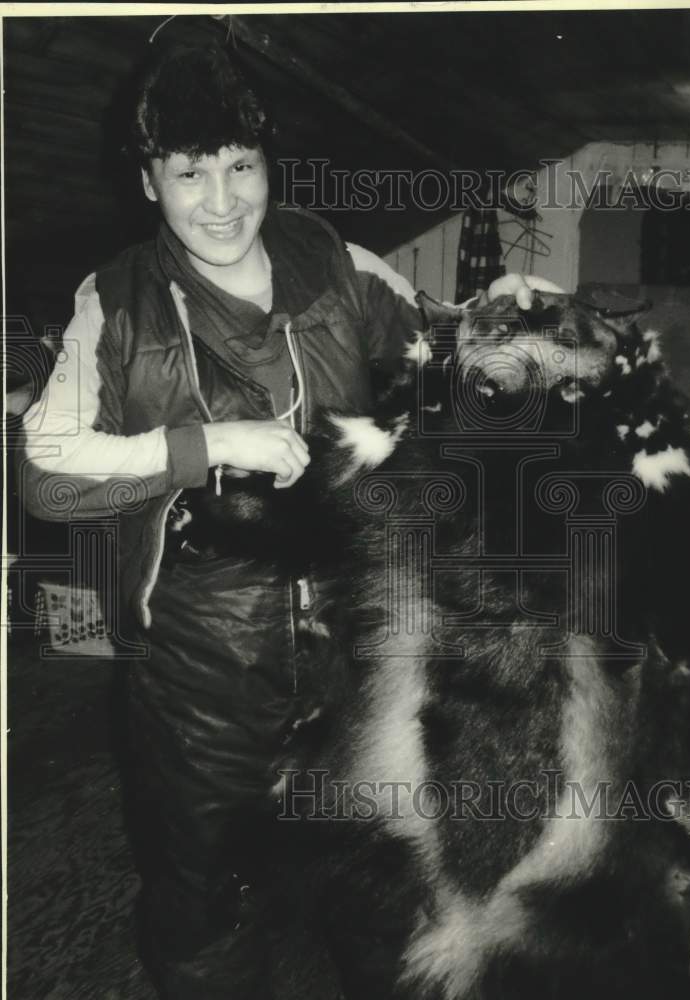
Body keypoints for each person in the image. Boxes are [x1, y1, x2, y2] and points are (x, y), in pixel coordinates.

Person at [21, 42, 557, 1000]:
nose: (221, 201)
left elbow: (445, 350)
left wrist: (511, 331)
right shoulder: (114, 301)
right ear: (150, 181)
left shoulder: (340, 263)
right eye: (189, 173)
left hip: (365, 654)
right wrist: (205, 443)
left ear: (268, 164)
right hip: (202, 674)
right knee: (203, 896)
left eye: (241, 166)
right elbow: (47, 478)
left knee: (384, 880)